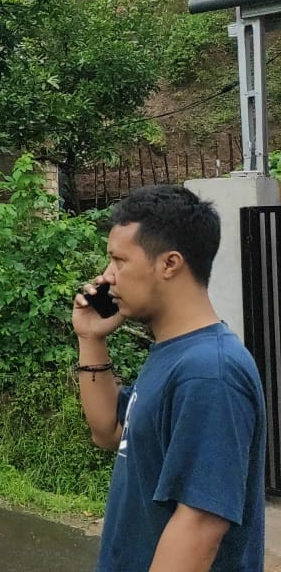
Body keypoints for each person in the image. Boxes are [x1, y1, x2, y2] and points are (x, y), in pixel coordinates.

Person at [75, 185, 264, 572]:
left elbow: (199, 528)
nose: (107, 277)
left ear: (170, 264)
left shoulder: (210, 372)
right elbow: (108, 431)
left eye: (119, 260)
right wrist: (91, 338)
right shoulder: (176, 354)